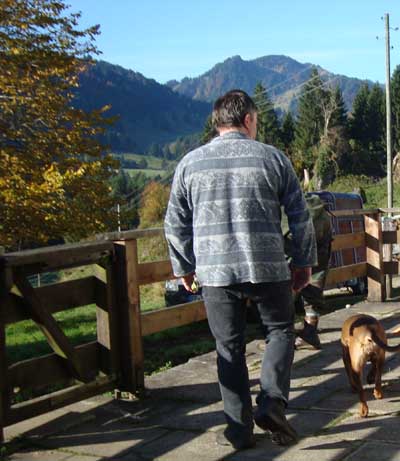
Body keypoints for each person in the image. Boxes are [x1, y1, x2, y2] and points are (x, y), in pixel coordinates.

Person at [164, 90, 317, 450]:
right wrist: (303, 261)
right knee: (280, 331)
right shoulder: (273, 158)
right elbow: (301, 216)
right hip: (268, 266)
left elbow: (174, 223)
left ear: (218, 121)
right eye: (256, 121)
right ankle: (272, 402)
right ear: (248, 120)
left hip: (215, 272)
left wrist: (184, 267)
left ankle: (239, 431)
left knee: (228, 348)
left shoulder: (190, 164)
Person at [282, 195, 333, 349]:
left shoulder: (284, 205)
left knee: (286, 290)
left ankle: (283, 339)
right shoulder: (320, 210)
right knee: (315, 282)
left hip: (294, 239)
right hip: (320, 239)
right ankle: (310, 333)